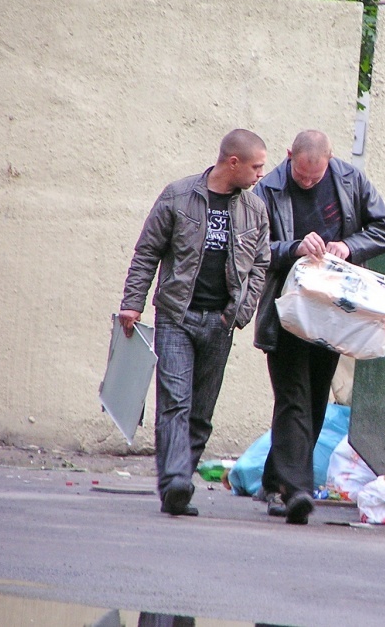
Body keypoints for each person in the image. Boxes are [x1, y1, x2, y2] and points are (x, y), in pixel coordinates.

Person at [119, 129, 271, 516]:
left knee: (201, 413)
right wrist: (132, 303)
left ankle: (179, 484)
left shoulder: (254, 209)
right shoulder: (178, 195)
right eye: (256, 167)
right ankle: (175, 482)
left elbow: (261, 264)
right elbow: (147, 251)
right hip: (176, 316)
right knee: (175, 403)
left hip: (219, 322)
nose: (260, 175)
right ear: (232, 163)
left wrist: (238, 312)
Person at [253, 129, 385, 524]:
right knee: (293, 399)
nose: (307, 182)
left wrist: (349, 246)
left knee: (315, 400)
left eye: (314, 178)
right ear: (289, 157)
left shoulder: (351, 180)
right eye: (301, 177)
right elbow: (251, 247)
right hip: (287, 312)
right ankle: (294, 489)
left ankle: (273, 480)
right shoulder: (266, 190)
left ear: (330, 160)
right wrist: (294, 247)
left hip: (335, 313)